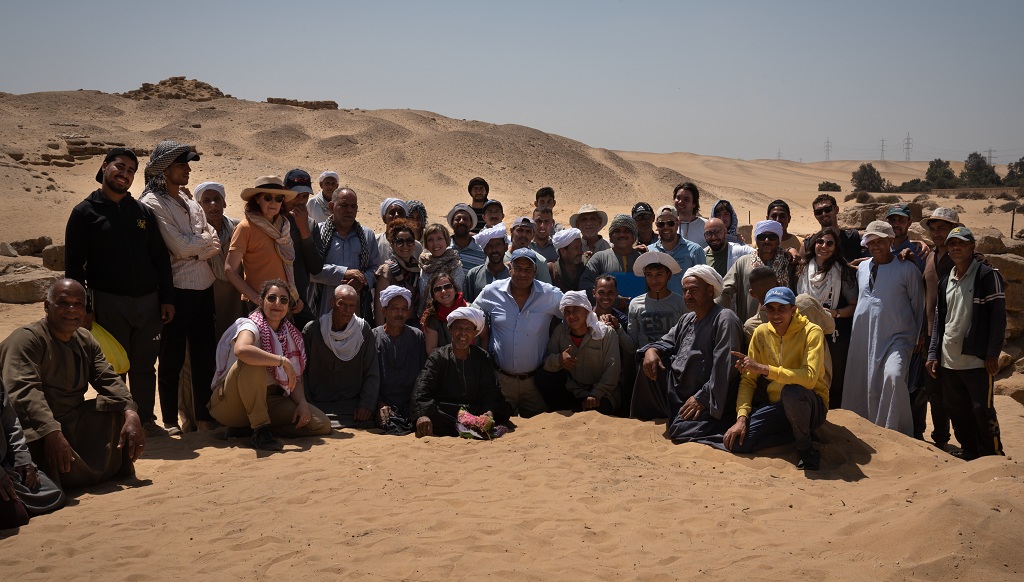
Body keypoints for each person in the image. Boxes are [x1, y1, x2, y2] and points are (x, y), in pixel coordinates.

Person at [64, 147, 174, 436]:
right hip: (108, 303)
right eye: (120, 167)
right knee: (114, 367)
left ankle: (146, 421)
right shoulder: (84, 213)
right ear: (104, 167)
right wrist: (84, 309)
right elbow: (74, 268)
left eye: (131, 171)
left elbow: (160, 258)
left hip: (149, 303)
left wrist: (166, 298)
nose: (125, 174)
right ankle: (118, 424)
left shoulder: (142, 212)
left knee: (144, 366)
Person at [0, 279, 144, 490]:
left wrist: (131, 413)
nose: (71, 310)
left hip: (70, 420)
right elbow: (24, 394)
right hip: (33, 426)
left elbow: (109, 379)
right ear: (47, 306)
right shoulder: (26, 340)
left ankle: (101, 472)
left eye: (78, 304)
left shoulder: (84, 338)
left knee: (117, 410)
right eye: (63, 303)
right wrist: (52, 432)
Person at [140, 140, 221, 435]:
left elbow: (214, 238)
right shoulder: (152, 203)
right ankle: (170, 420)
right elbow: (178, 247)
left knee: (204, 357)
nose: (187, 169)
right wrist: (199, 247)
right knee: (171, 358)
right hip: (176, 289)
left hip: (204, 287)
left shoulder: (190, 202)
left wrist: (195, 248)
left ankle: (205, 417)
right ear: (164, 170)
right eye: (181, 165)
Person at [209, 279, 331, 451]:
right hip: (233, 401)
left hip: (268, 400)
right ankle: (260, 429)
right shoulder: (250, 325)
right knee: (252, 361)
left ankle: (255, 429)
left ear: (288, 306)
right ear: (261, 301)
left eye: (284, 300)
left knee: (320, 424)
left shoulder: (291, 335)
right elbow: (241, 350)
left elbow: (294, 378)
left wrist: (302, 403)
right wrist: (281, 360)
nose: (277, 303)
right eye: (272, 298)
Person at [633, 266, 744, 448]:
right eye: (685, 291)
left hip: (709, 397)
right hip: (679, 391)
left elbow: (724, 368)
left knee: (679, 429)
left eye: (693, 290)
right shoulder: (687, 319)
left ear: (710, 290)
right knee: (649, 363)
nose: (688, 295)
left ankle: (720, 428)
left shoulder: (724, 318)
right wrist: (651, 351)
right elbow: (665, 342)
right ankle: (653, 416)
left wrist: (702, 398)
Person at [725, 287, 828, 470]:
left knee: (792, 391)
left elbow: (810, 378)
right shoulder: (761, 333)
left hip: (810, 404)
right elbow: (748, 381)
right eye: (770, 309)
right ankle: (793, 433)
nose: (776, 315)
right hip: (779, 406)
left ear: (793, 310)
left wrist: (765, 369)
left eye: (782, 309)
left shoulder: (812, 332)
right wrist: (741, 417)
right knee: (739, 444)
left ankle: (806, 448)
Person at [926, 227, 1006, 459]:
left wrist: (992, 353)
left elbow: (998, 318)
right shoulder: (945, 281)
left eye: (961, 243)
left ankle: (993, 454)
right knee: (958, 412)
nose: (956, 247)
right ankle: (970, 452)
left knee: (982, 410)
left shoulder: (986, 276)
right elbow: (940, 321)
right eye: (952, 244)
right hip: (949, 361)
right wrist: (933, 354)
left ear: (972, 246)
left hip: (977, 361)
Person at [843, 221, 924, 437]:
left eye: (880, 241)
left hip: (898, 336)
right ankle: (865, 431)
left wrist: (919, 335)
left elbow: (918, 304)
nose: (876, 246)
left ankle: (897, 432)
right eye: (871, 242)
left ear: (890, 241)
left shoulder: (907, 269)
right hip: (865, 335)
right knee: (863, 380)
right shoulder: (862, 268)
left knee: (894, 375)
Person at [473, 248, 564, 417]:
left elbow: (573, 313)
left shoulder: (550, 295)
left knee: (539, 429)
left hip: (535, 383)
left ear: (535, 272)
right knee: (499, 425)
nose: (523, 274)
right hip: (501, 381)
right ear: (510, 269)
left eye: (528, 269)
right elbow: (472, 315)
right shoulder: (492, 291)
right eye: (518, 268)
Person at [412, 307, 511, 438]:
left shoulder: (482, 357)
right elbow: (421, 389)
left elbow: (491, 391)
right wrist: (422, 415)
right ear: (451, 330)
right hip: (446, 415)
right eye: (458, 328)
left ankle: (475, 427)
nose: (463, 333)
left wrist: (488, 414)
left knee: (499, 411)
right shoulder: (438, 357)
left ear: (474, 333)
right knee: (429, 417)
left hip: (475, 411)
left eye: (468, 329)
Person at [302, 284, 379, 429]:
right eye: (342, 304)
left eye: (352, 306)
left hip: (352, 406)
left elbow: (371, 371)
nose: (347, 310)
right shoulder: (313, 330)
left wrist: (366, 405)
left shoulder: (363, 331)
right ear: (332, 302)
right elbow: (302, 372)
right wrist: (306, 404)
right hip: (317, 404)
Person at [796, 229, 858, 408]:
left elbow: (854, 305)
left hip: (833, 334)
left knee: (833, 378)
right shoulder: (801, 269)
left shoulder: (843, 272)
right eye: (820, 242)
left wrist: (835, 313)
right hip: (803, 332)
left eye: (830, 243)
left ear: (836, 247)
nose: (824, 246)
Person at [225, 176, 303, 312]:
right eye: (268, 198)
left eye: (278, 199)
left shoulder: (284, 227)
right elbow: (229, 269)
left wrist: (294, 297)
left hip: (283, 302)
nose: (273, 203)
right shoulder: (245, 228)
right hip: (258, 304)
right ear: (257, 199)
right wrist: (257, 299)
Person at [919, 207, 963, 449]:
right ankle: (941, 440)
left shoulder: (968, 257)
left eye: (942, 228)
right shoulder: (930, 255)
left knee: (957, 392)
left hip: (956, 336)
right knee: (935, 392)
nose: (936, 233)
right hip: (930, 335)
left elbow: (997, 284)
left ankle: (970, 443)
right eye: (933, 229)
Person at [537, 291, 620, 414]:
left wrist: (595, 394)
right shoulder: (560, 332)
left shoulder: (606, 333)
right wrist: (559, 359)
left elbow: (612, 371)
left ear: (586, 310)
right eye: (567, 312)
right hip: (573, 390)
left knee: (597, 412)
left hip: (602, 393)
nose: (571, 316)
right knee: (542, 376)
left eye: (576, 310)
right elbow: (546, 361)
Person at [308, 187, 381, 318]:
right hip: (323, 311)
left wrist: (362, 280)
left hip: (357, 312)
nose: (349, 210)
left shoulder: (367, 235)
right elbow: (310, 270)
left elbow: (376, 268)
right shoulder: (317, 232)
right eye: (344, 205)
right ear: (331, 207)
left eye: (353, 206)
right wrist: (343, 273)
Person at [2, 381, 65, 526]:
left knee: (54, 494)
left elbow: (10, 423)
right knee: (16, 515)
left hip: (6, 463)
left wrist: (22, 458)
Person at [371, 286, 427, 434]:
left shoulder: (417, 336)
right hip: (383, 403)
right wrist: (378, 403)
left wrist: (419, 409)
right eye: (395, 308)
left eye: (404, 309)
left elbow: (423, 377)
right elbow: (366, 377)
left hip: (411, 404)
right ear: (384, 311)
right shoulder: (372, 337)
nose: (400, 313)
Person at [719, 220, 796, 324]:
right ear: (756, 240)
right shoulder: (743, 262)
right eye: (762, 237)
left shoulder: (789, 262)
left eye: (772, 237)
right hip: (751, 324)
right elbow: (725, 291)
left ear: (779, 240)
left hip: (785, 325)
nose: (766, 240)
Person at [197, 182, 246, 342]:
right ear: (199, 206)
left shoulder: (238, 228)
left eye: (217, 199)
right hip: (209, 296)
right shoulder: (196, 233)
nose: (213, 204)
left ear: (224, 202)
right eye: (207, 200)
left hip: (236, 295)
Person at [282, 169, 325, 331]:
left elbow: (316, 267)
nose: (300, 201)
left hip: (299, 302)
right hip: (272, 299)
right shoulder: (272, 220)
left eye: (305, 196)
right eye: (296, 195)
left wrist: (304, 229)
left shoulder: (311, 225)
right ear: (285, 192)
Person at [627, 251, 687, 349]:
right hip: (644, 356)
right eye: (649, 275)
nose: (654, 280)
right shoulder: (635, 304)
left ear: (669, 275)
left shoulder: (681, 303)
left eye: (659, 275)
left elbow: (686, 337)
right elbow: (632, 343)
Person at [580, 214, 644, 303]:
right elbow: (585, 285)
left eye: (627, 231)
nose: (622, 234)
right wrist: (611, 299)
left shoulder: (643, 260)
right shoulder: (599, 258)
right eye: (617, 231)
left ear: (634, 237)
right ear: (610, 237)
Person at [373, 218, 421, 326]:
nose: (405, 246)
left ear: (414, 244)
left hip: (414, 324)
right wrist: (380, 331)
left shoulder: (417, 268)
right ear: (392, 245)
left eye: (409, 241)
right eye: (399, 242)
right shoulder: (387, 270)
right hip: (392, 326)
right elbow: (379, 305)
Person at [650, 205, 707, 294]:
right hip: (656, 303)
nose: (666, 227)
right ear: (657, 226)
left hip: (685, 303)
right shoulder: (649, 252)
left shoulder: (695, 251)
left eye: (670, 223)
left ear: (678, 223)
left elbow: (703, 283)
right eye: (661, 224)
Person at [418, 223, 465, 314]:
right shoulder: (424, 264)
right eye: (430, 240)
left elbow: (458, 296)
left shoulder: (454, 265)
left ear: (446, 240)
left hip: (450, 317)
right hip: (425, 316)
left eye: (439, 238)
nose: (435, 243)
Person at [806, 194, 865, 263]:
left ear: (836, 209)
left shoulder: (853, 237)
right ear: (815, 215)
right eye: (819, 212)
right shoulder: (809, 243)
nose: (824, 214)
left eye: (827, 210)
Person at [421, 272, 469, 354]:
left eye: (447, 286)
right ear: (434, 296)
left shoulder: (471, 311)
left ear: (455, 290)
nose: (443, 291)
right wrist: (457, 352)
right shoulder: (431, 318)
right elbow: (431, 349)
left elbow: (484, 338)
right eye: (437, 289)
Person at [463, 223, 509, 302]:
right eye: (489, 246)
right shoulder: (474, 274)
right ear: (484, 251)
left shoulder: (512, 275)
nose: (494, 250)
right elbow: (467, 302)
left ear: (505, 247)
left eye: (498, 245)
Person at [505, 217, 552, 284]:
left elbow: (546, 288)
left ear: (533, 235)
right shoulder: (500, 257)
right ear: (511, 231)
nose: (524, 235)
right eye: (520, 230)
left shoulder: (540, 261)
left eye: (528, 232)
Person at [886, 204, 930, 270]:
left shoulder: (919, 253)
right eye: (892, 220)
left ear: (909, 223)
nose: (896, 224)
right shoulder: (879, 249)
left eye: (901, 220)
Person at [447, 203, 484, 271]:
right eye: (457, 219)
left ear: (471, 224)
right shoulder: (444, 248)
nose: (461, 222)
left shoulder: (482, 252)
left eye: (465, 219)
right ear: (452, 223)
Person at [549, 228, 585, 293]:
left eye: (581, 247)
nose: (581, 252)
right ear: (563, 251)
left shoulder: (587, 265)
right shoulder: (551, 270)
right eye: (576, 248)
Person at [375, 198, 412, 263]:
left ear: (406, 218)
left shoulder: (415, 246)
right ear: (384, 218)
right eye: (392, 213)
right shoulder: (375, 242)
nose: (396, 215)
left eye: (400, 213)